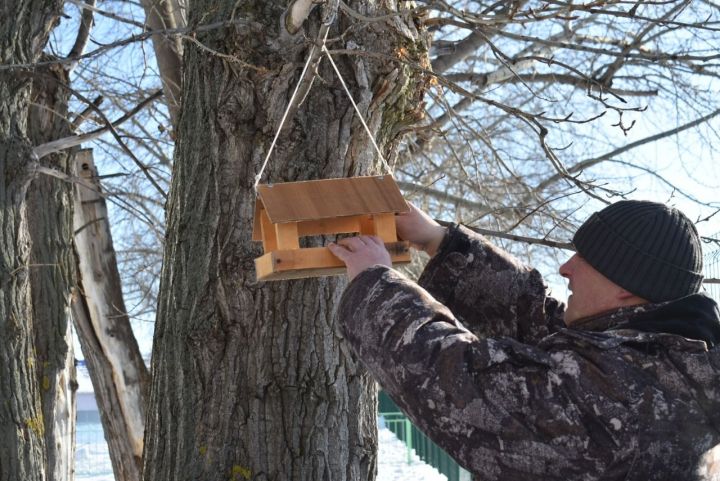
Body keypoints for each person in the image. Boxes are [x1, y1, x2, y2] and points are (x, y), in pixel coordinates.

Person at [328, 200, 720, 481]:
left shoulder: (631, 396)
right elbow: (544, 327)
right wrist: (438, 241)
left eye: (586, 259)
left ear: (627, 286)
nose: (566, 268)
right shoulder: (654, 359)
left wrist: (375, 284)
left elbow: (468, 388)